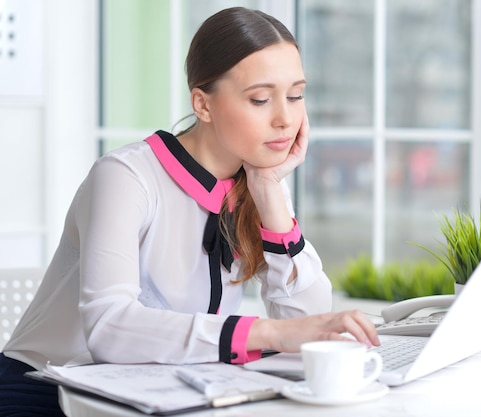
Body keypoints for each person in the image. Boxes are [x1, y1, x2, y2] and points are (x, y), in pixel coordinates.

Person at [0, 7, 380, 416]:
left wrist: (270, 193)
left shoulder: (259, 181)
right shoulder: (125, 177)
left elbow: (310, 329)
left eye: (295, 95)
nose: (285, 119)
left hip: (165, 393)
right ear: (203, 104)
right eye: (260, 99)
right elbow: (108, 327)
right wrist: (269, 332)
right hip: (46, 394)